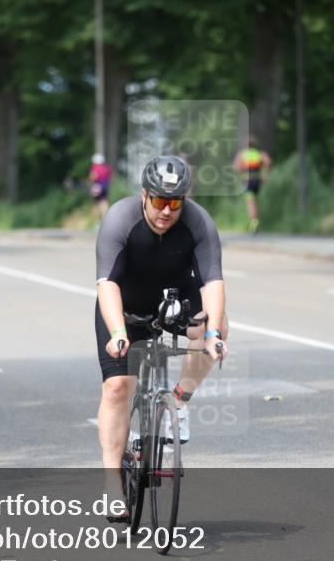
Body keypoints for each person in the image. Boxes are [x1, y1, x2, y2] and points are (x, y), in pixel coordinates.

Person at [94, 155, 229, 518]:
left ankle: (179, 401)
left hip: (175, 300)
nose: (167, 210)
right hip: (125, 305)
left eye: (175, 202)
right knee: (118, 387)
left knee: (214, 323)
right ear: (144, 195)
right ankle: (111, 485)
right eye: (159, 201)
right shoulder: (120, 220)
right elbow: (107, 284)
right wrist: (119, 333)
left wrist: (214, 334)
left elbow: (213, 282)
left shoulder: (199, 223)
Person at [232, 136, 272, 233]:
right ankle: (255, 219)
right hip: (257, 179)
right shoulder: (260, 153)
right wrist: (265, 174)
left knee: (250, 201)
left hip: (248, 180)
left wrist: (241, 171)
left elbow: (236, 167)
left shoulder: (242, 154)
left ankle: (254, 221)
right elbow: (268, 162)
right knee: (255, 199)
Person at [88, 153, 112, 218]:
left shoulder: (95, 168)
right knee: (104, 202)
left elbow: (94, 176)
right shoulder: (106, 168)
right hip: (105, 186)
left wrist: (90, 180)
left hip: (97, 187)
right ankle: (106, 217)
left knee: (96, 203)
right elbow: (109, 177)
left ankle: (95, 219)